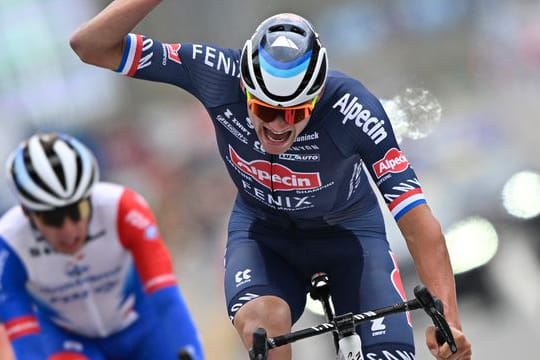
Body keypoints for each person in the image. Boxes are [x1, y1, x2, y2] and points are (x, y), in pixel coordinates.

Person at [70, 3, 472, 359]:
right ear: (244, 88)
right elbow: (90, 46)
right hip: (264, 237)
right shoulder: (214, 71)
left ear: (316, 98)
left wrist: (449, 323)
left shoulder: (353, 109)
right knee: (264, 326)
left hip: (350, 237)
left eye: (296, 113)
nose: (278, 125)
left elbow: (419, 226)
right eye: (264, 109)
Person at [0, 133, 204, 360]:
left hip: (143, 328)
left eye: (78, 211)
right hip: (69, 343)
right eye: (53, 218)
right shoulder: (8, 243)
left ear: (90, 198)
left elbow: (166, 299)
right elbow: (24, 337)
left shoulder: (122, 209)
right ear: (28, 213)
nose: (70, 230)